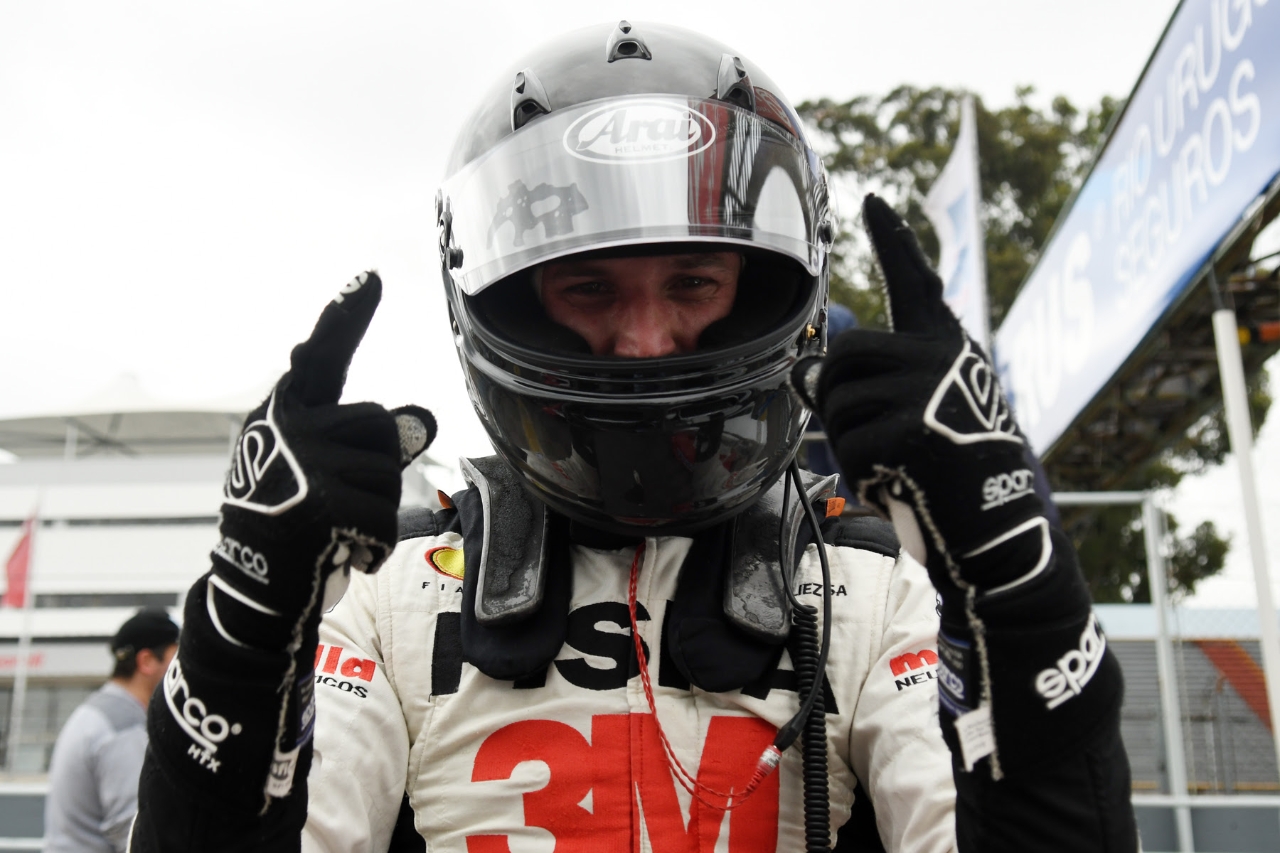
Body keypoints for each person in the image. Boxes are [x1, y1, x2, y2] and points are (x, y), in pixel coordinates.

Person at [130, 21, 1137, 852]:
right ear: (513, 302)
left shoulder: (873, 594)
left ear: (764, 292)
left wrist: (1021, 597)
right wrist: (241, 638)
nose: (646, 340)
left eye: (693, 283)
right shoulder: (393, 596)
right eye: (588, 287)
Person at [44, 608, 178, 853]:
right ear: (147, 661)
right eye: (177, 657)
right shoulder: (123, 726)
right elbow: (133, 833)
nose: (184, 669)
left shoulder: (98, 712)